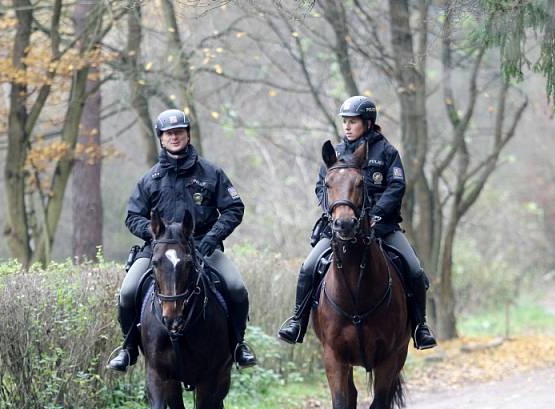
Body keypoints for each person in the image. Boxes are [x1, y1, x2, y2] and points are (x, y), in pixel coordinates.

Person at [277, 96, 437, 349]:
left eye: (353, 122)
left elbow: (397, 186)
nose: (348, 127)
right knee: (308, 267)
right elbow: (322, 186)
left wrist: (377, 214)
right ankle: (297, 321)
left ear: (368, 123)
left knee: (414, 269)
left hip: (382, 228)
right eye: (345, 122)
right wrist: (335, 211)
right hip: (340, 227)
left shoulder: (386, 152)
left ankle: (420, 326)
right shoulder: (336, 154)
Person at [107, 109, 257, 372]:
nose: (174, 137)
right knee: (128, 291)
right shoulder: (150, 179)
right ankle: (128, 348)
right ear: (161, 139)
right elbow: (132, 216)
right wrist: (156, 236)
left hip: (202, 247)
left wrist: (211, 238)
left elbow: (234, 208)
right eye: (168, 134)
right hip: (159, 251)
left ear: (187, 135)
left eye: (179, 132)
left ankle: (238, 345)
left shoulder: (212, 173)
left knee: (236, 287)